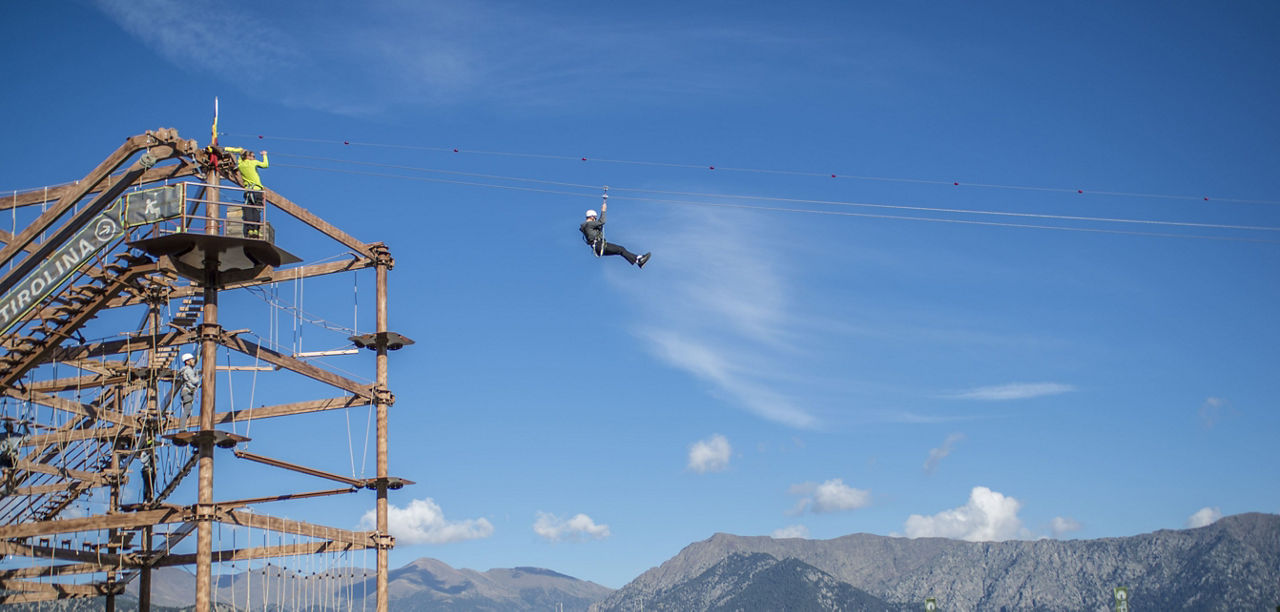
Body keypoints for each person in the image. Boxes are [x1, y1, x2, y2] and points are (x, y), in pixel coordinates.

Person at [579, 202, 650, 268]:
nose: (595, 219)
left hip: (597, 247)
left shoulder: (586, 227)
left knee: (620, 250)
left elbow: (598, 227)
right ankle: (638, 260)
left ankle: (638, 259)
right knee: (621, 249)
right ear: (592, 217)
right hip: (599, 245)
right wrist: (603, 210)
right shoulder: (589, 224)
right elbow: (602, 221)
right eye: (595, 218)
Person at [224, 147, 269, 238]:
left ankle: (250, 230)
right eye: (253, 156)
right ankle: (256, 230)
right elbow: (265, 165)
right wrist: (264, 155)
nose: (255, 158)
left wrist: (225, 148)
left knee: (248, 210)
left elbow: (240, 151)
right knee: (256, 210)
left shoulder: (241, 164)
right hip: (257, 190)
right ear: (248, 157)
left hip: (248, 192)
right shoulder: (253, 163)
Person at [0, 420, 30, 495]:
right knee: (5, 477)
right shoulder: (2, 435)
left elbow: (28, 437)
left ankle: (13, 486)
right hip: (4, 458)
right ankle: (8, 488)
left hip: (12, 458)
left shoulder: (17, 435)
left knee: (11, 476)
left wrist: (25, 427)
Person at [177, 353, 201, 424]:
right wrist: (198, 376)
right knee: (187, 410)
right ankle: (182, 428)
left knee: (187, 411)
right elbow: (194, 381)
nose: (193, 361)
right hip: (187, 392)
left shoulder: (185, 370)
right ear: (187, 362)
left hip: (186, 392)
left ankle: (183, 427)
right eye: (192, 360)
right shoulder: (188, 370)